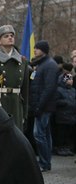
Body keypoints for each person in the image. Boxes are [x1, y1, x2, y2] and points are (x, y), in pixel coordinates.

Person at [0, 25, 29, 131]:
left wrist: (24, 112)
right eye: (6, 36)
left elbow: (25, 89)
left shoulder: (22, 60)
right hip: (0, 102)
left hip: (16, 104)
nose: (10, 38)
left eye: (12, 36)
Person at [30, 40, 59, 172]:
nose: (35, 50)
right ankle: (46, 161)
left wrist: (39, 107)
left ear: (44, 50)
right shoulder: (42, 64)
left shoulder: (49, 65)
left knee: (39, 134)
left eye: (37, 48)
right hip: (42, 105)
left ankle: (44, 162)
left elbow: (48, 88)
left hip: (44, 106)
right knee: (45, 134)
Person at [54, 64, 75, 156]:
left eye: (71, 79)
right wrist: (64, 102)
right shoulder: (59, 90)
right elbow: (56, 101)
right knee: (61, 133)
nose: (70, 81)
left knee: (68, 134)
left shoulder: (73, 91)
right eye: (68, 79)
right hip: (62, 116)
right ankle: (60, 147)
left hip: (71, 116)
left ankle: (67, 147)